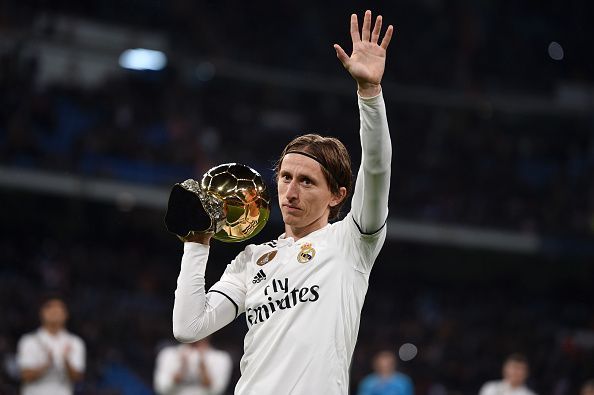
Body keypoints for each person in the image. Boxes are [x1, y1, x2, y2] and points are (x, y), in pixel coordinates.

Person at [172, 9, 393, 394]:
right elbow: (188, 327)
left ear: (337, 195)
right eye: (286, 177)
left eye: (307, 181)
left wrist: (369, 95)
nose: (290, 190)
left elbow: (376, 170)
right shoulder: (250, 260)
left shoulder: (352, 243)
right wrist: (197, 242)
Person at [16, 296, 85, 395]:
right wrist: (46, 365)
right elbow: (25, 375)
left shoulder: (75, 342)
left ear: (66, 314)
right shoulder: (29, 341)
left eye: (59, 308)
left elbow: (77, 378)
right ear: (42, 313)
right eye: (50, 307)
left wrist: (66, 361)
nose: (54, 311)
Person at [154, 337, 232, 395]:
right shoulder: (168, 354)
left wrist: (203, 370)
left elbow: (217, 390)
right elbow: (161, 388)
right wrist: (181, 370)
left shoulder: (221, 358)